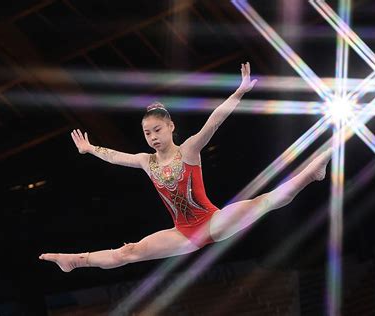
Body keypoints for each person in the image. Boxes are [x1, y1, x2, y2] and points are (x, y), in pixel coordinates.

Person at [39, 62, 332, 272]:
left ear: (170, 127)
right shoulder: (146, 161)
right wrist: (90, 149)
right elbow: (116, 157)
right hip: (181, 234)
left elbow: (214, 121)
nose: (153, 137)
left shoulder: (189, 150)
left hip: (212, 222)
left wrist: (240, 92)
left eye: (157, 130)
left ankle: (313, 171)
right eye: (147, 133)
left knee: (266, 201)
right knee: (129, 252)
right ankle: (76, 260)